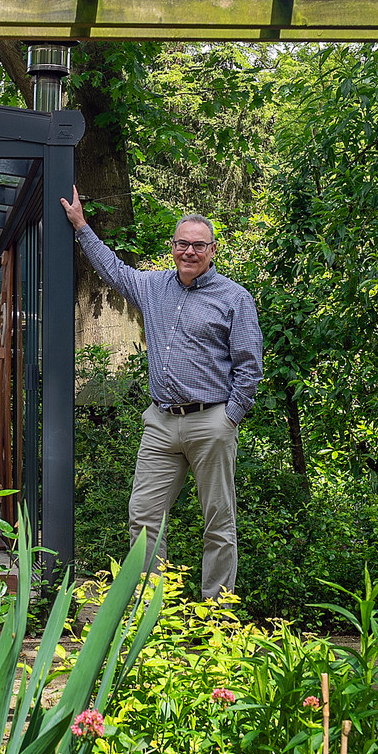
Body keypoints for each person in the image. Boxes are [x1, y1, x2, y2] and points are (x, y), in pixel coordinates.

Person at [62, 186, 263, 598]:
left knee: (218, 521)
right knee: (143, 517)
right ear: (173, 247)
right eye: (182, 244)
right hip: (160, 422)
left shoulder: (234, 298)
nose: (189, 251)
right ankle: (154, 608)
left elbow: (249, 365)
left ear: (212, 250)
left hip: (212, 420)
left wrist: (230, 417)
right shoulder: (153, 288)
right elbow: (114, 270)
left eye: (198, 245)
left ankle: (216, 616)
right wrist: (82, 226)